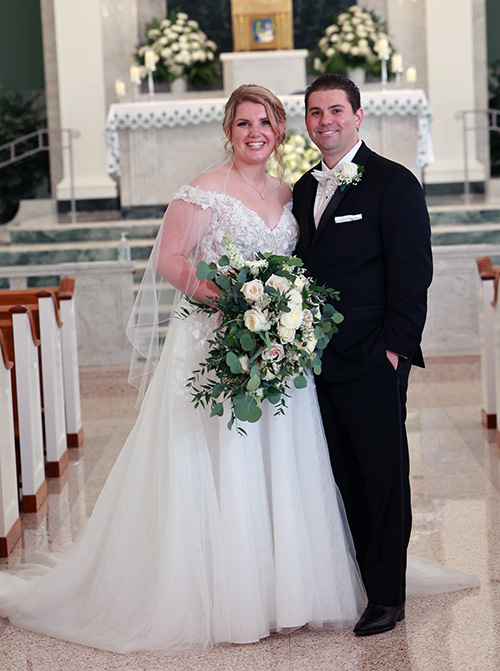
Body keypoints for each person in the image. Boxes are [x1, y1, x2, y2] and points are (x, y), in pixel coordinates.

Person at [0, 85, 366, 654]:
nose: (255, 133)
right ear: (229, 129)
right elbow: (171, 258)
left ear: (279, 130)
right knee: (222, 459)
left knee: (279, 460)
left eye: (265, 123)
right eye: (244, 123)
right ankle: (228, 596)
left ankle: (284, 593)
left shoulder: (286, 191)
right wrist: (228, 300)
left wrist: (277, 314)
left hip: (275, 349)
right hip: (215, 342)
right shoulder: (202, 191)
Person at [293, 73, 434, 636]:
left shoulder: (393, 182)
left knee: (382, 477)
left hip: (374, 358)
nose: (325, 122)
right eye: (314, 113)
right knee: (343, 475)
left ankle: (388, 596)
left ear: (357, 116)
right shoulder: (303, 188)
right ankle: (360, 576)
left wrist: (395, 351)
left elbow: (412, 274)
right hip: (317, 363)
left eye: (335, 111)